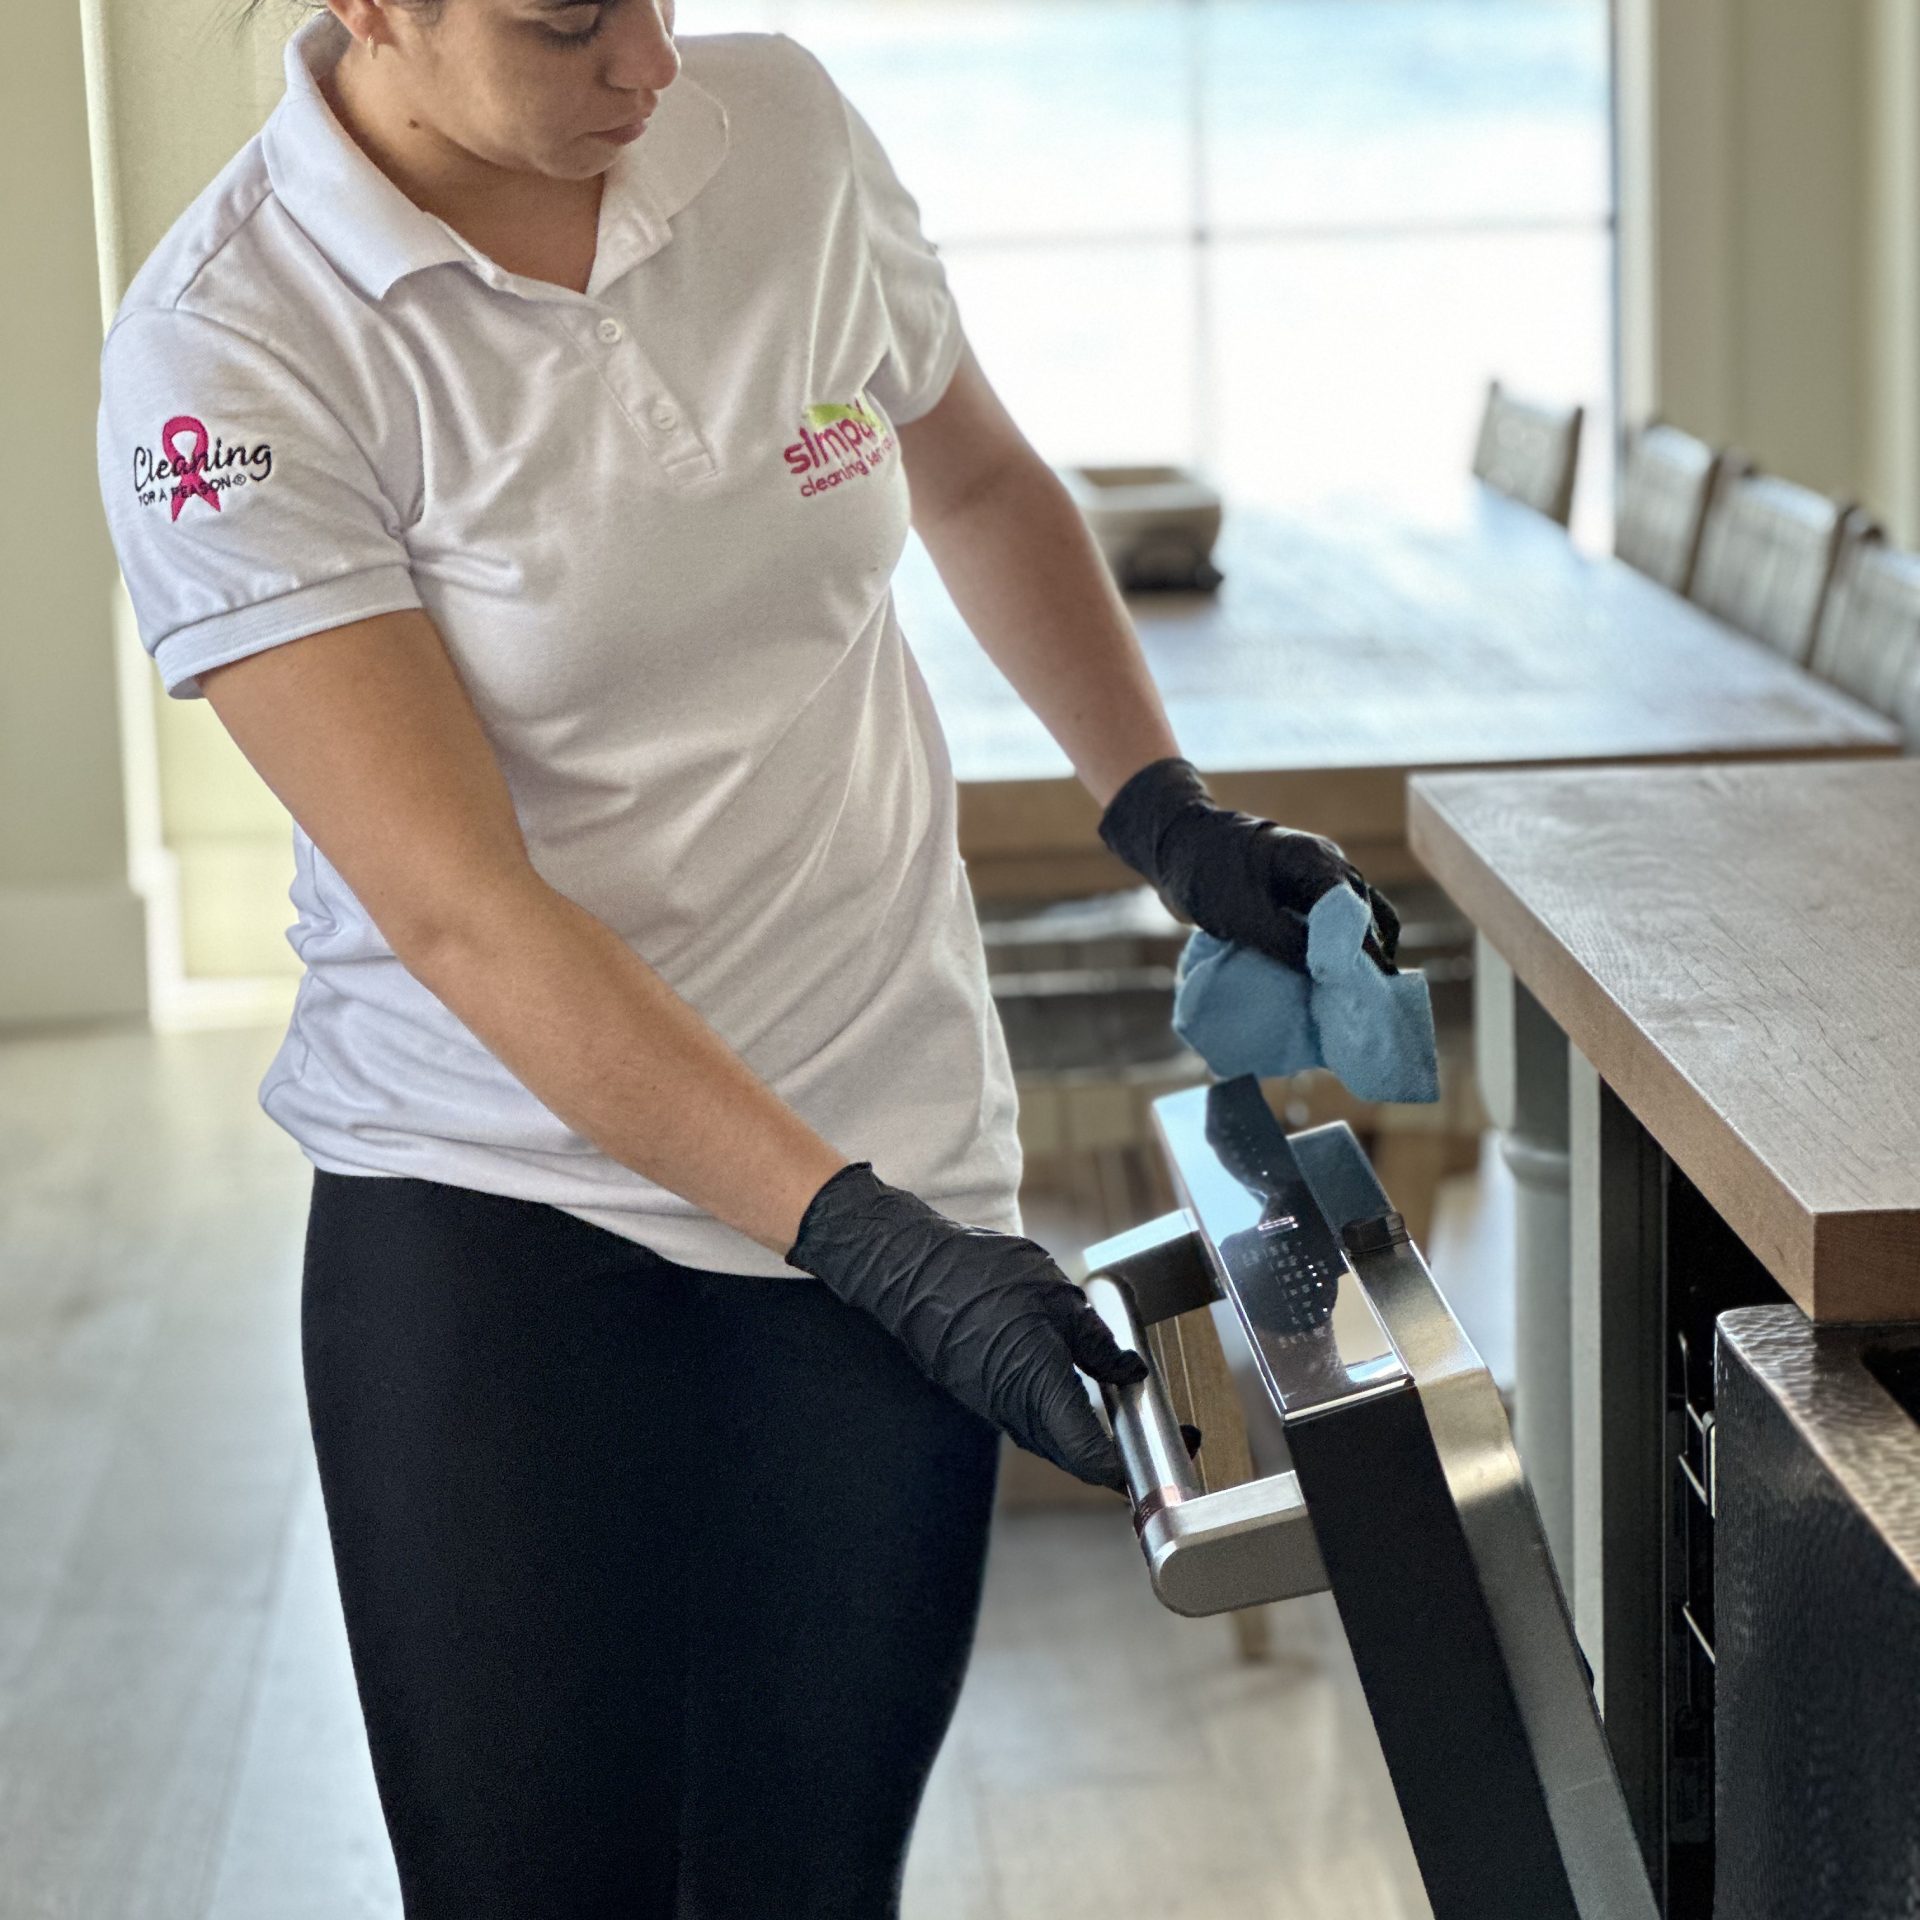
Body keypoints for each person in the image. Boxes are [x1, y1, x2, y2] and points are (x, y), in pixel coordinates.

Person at [93, 2, 1400, 1912]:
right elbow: (464, 910)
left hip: (893, 1137)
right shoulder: (229, 346)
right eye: (564, 23)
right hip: (503, 1206)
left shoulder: (773, 126)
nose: (645, 64)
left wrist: (1167, 821)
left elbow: (971, 479)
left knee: (810, 1881)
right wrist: (874, 1247)